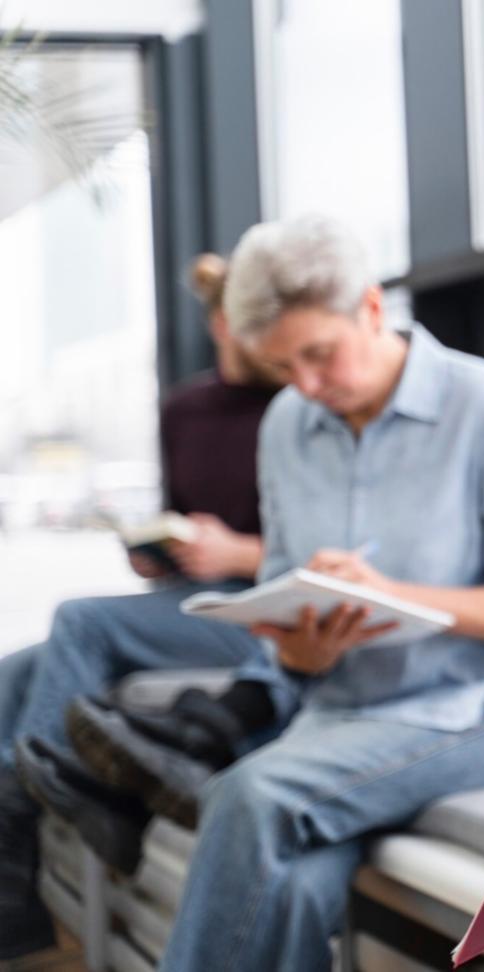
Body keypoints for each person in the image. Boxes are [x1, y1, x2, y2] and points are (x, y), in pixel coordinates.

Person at [66, 214, 484, 972]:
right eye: (284, 367)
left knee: (247, 797)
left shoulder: (483, 403)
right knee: (288, 890)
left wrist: (397, 594)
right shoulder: (287, 423)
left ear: (371, 310)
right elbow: (284, 594)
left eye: (318, 354)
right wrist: (300, 652)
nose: (306, 385)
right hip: (340, 718)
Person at [0, 254, 279, 959]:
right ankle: (14, 869)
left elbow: (325, 550)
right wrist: (156, 551)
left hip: (258, 602)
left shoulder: (300, 405)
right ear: (220, 323)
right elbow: (182, 517)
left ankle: (16, 821)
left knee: (79, 620)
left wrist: (241, 553)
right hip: (188, 597)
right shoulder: (183, 410)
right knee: (15, 671)